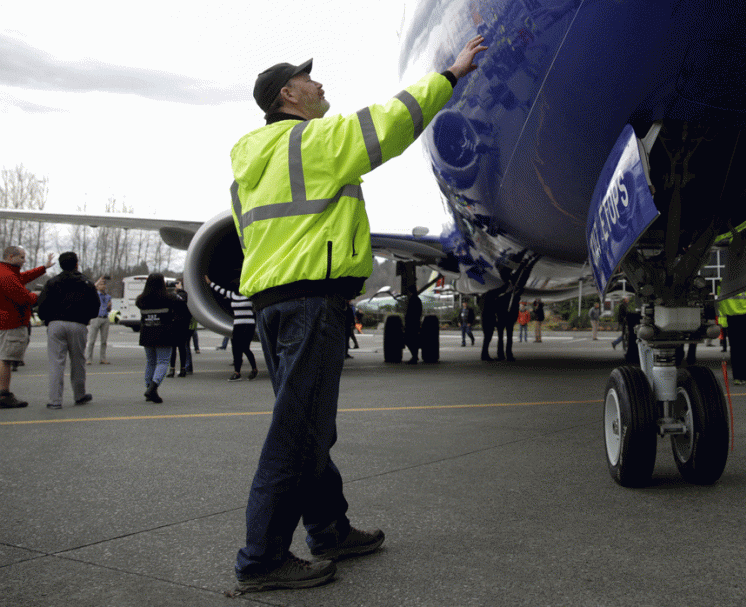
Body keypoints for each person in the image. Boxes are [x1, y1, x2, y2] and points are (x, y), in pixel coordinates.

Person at [228, 34, 486, 592]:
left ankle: (329, 528)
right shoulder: (313, 141)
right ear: (288, 95)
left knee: (309, 424)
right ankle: (262, 558)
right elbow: (391, 121)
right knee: (297, 433)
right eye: (309, 79)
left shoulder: (248, 167)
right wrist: (451, 75)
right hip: (309, 302)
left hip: (272, 305)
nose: (321, 85)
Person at [37, 251, 99, 409]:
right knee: (78, 361)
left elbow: (42, 304)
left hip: (56, 323)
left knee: (56, 363)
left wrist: (47, 320)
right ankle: (79, 394)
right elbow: (95, 306)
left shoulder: (52, 282)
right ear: (76, 264)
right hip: (78, 324)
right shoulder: (86, 283)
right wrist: (86, 318)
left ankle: (55, 400)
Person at [0, 246, 52, 409]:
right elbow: (24, 298)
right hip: (12, 323)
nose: (24, 261)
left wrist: (44, 268)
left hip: (7, 321)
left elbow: (23, 277)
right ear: (10, 256)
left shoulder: (7, 272)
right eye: (22, 257)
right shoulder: (7, 276)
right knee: (6, 359)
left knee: (5, 358)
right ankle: (4, 394)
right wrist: (36, 295)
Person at [137, 273, 189, 403]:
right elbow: (183, 303)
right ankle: (153, 387)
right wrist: (179, 290)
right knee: (163, 361)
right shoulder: (169, 298)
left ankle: (148, 387)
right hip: (163, 334)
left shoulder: (141, 299)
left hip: (146, 333)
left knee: (150, 361)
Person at [207, 277, 258, 381]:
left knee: (244, 347)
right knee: (235, 348)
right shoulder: (232, 295)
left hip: (248, 324)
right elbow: (220, 290)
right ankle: (237, 372)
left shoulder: (250, 295)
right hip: (237, 325)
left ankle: (254, 369)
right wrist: (210, 283)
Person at [86, 277, 113, 365]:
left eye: (104, 284)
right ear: (97, 287)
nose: (103, 286)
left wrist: (109, 306)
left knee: (104, 341)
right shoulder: (95, 294)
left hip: (105, 318)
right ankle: (88, 358)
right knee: (92, 340)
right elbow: (91, 288)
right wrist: (98, 281)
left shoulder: (108, 296)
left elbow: (109, 309)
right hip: (96, 318)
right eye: (101, 284)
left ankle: (103, 358)